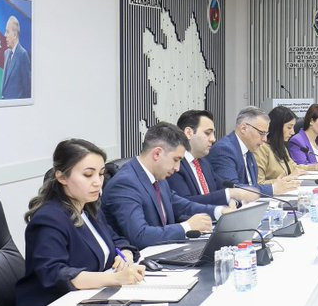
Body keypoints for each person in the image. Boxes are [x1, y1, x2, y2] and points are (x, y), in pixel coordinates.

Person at [16, 139, 145, 306]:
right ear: (62, 177)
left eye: (101, 174)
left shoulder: (89, 208)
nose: (98, 182)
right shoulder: (49, 219)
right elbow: (55, 274)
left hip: (91, 299)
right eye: (88, 175)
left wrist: (125, 256)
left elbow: (117, 240)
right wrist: (115, 278)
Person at [103, 122, 232, 249]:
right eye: (176, 160)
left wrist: (219, 212)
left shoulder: (158, 176)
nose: (177, 168)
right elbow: (140, 236)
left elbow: (182, 206)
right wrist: (187, 227)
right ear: (157, 154)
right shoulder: (124, 184)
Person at [167, 110, 262, 206]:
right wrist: (230, 194)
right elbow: (184, 204)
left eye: (213, 133)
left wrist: (233, 200)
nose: (213, 139)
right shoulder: (175, 165)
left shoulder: (204, 163)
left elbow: (222, 187)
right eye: (207, 133)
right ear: (188, 133)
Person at [207, 106, 299, 196]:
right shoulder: (224, 150)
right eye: (261, 133)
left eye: (266, 134)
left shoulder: (248, 150)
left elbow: (253, 185)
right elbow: (233, 189)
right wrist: (273, 188)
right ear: (243, 128)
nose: (265, 139)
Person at [255, 106, 318, 184]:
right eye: (289, 127)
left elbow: (294, 167)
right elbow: (259, 184)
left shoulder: (281, 147)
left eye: (293, 127)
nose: (293, 132)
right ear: (278, 127)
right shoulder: (261, 149)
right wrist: (286, 179)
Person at [0, 15, 31, 99]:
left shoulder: (23, 55)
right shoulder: (6, 53)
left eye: (7, 32)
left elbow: (27, 88)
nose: (5, 35)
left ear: (14, 35)